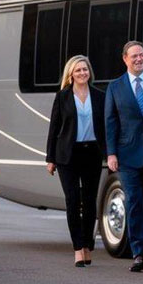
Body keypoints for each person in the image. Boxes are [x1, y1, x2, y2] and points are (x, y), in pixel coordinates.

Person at [105, 41, 143, 272]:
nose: (139, 59)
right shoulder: (115, 87)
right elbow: (110, 122)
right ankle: (138, 251)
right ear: (125, 59)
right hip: (128, 154)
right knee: (134, 200)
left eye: (142, 54)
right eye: (134, 56)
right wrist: (111, 153)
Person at [45, 55, 106, 267]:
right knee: (72, 200)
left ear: (89, 72)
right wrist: (50, 158)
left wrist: (110, 153)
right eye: (78, 70)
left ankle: (88, 244)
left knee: (89, 202)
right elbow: (54, 129)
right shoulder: (62, 97)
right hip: (67, 155)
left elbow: (105, 127)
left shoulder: (99, 96)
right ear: (71, 74)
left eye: (85, 70)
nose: (82, 73)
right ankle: (78, 249)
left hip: (91, 153)